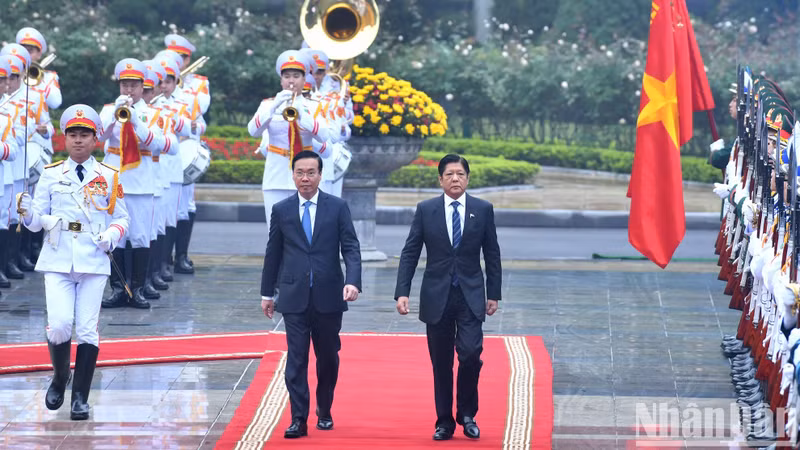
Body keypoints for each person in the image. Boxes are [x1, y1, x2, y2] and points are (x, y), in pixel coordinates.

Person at [17, 104, 129, 420]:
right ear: (64, 139)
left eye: (85, 135)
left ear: (95, 139)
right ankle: (60, 377)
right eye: (73, 135)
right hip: (57, 257)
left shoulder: (108, 175)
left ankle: (80, 397)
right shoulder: (51, 175)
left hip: (93, 260)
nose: (78, 140)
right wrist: (26, 211)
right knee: (61, 324)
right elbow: (36, 223)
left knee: (88, 330)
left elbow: (122, 218)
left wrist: (111, 235)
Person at [394, 154, 502, 441]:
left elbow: (492, 254)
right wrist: (402, 291)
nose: (456, 179)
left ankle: (467, 414)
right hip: (437, 296)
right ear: (440, 179)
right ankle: (443, 422)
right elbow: (410, 252)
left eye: (461, 174)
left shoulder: (482, 209)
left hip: (471, 295)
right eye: (450, 174)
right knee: (441, 363)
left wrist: (494, 294)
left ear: (468, 178)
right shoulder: (426, 210)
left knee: (470, 354)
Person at [260, 150, 362, 438]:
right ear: (292, 175)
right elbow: (273, 253)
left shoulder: (337, 207)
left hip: (330, 296)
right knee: (296, 358)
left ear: (320, 175)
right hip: (293, 296)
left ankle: (325, 408)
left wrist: (353, 281)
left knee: (328, 357)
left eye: (311, 173)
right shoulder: (281, 210)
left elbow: (351, 248)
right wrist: (267, 293)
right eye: (300, 173)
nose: (305, 178)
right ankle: (298, 418)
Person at [98, 58, 166, 309]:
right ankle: (117, 289)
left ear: (142, 86)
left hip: (141, 181)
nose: (128, 90)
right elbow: (98, 136)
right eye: (124, 84)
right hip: (114, 178)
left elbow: (157, 144)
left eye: (133, 85)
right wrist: (114, 117)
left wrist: (135, 120)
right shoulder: (109, 110)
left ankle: (136, 289)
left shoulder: (153, 113)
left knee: (139, 237)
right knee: (115, 237)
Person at [248, 50, 336, 234]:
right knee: (276, 231)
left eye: (296, 76)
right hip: (277, 173)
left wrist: (302, 114)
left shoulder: (313, 106)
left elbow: (324, 135)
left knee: (306, 230)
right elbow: (253, 131)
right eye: (287, 76)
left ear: (305, 80)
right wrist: (273, 108)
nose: (291, 80)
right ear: (280, 80)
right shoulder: (268, 104)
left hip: (305, 176)